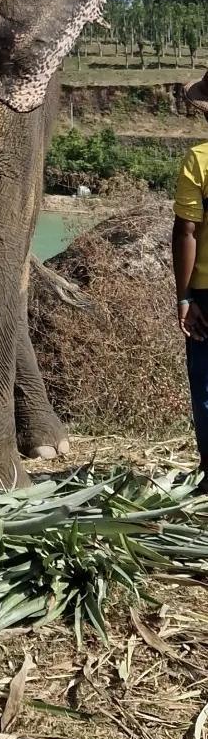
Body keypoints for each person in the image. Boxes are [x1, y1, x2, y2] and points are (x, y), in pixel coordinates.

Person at [171, 73, 208, 489]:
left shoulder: (199, 160)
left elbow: (187, 232)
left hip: (206, 293)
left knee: (206, 382)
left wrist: (184, 296)